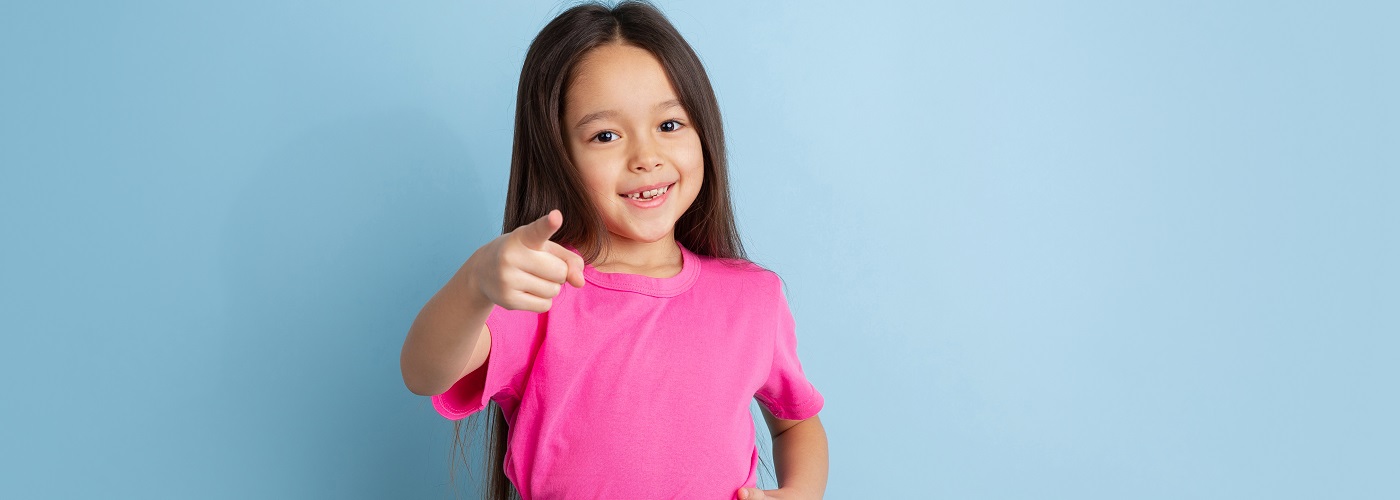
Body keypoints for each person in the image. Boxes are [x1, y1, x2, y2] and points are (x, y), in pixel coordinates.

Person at [400, 2, 827, 498]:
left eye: (669, 125)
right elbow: (424, 373)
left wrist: (799, 493)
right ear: (559, 156)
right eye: (606, 135)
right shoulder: (543, 289)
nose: (646, 157)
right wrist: (475, 282)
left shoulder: (754, 297)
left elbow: (797, 423)